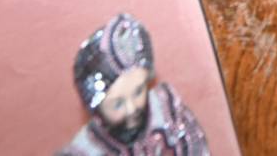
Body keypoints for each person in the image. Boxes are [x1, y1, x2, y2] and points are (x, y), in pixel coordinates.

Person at [59, 13, 208, 156]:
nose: (132, 109)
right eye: (117, 104)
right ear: (96, 108)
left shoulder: (168, 111)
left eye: (138, 92)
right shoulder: (83, 152)